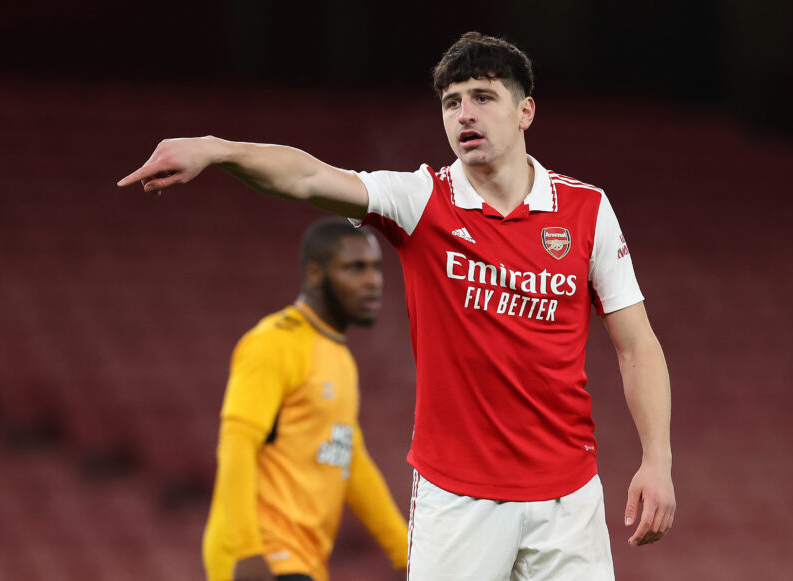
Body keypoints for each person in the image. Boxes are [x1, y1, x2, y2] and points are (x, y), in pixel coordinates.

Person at [121, 32, 675, 581]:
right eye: (451, 103)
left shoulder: (586, 210)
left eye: (483, 97)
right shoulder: (422, 201)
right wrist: (218, 151)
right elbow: (310, 176)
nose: (464, 115)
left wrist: (657, 460)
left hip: (567, 499)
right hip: (457, 499)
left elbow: (636, 345)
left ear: (525, 110)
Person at [200, 218, 408, 581]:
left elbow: (352, 462)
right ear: (315, 273)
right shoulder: (273, 343)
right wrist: (249, 554)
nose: (373, 281)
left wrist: (407, 555)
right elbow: (236, 446)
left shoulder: (339, 358)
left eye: (376, 267)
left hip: (303, 563)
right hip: (263, 560)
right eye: (355, 268)